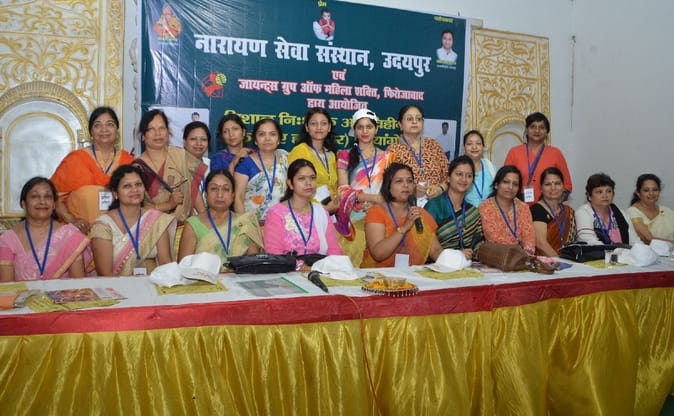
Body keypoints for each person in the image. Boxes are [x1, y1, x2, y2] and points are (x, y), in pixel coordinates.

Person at [51, 106, 134, 234]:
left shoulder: (128, 161)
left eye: (110, 124)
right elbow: (53, 197)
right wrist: (72, 220)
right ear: (90, 132)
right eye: (97, 125)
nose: (104, 129)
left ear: (117, 130)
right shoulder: (75, 160)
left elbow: (137, 199)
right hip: (80, 233)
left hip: (120, 233)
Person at [90, 165, 176, 276]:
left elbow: (165, 263)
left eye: (138, 184)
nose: (135, 190)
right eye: (127, 186)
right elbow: (105, 274)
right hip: (116, 285)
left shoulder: (156, 220)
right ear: (115, 193)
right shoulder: (104, 225)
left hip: (153, 283)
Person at [0, 177, 91, 281]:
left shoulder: (69, 236)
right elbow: (7, 286)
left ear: (54, 205)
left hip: (64, 292)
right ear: (23, 204)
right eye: (35, 196)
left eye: (47, 197)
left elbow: (78, 285)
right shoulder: (7, 240)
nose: (42, 201)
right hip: (22, 292)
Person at [336, 108, 395, 264]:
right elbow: (343, 191)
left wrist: (378, 203)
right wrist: (374, 198)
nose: (364, 131)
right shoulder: (344, 155)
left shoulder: (388, 157)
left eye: (369, 127)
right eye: (360, 127)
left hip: (381, 215)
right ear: (354, 130)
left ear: (376, 129)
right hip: (353, 217)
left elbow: (392, 189)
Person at [361, 163, 442, 268]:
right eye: (399, 181)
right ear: (388, 186)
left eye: (409, 181)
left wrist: (455, 260)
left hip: (412, 274)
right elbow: (378, 254)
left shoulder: (420, 214)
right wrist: (404, 227)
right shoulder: (377, 212)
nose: (406, 185)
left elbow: (435, 250)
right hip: (378, 275)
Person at [178, 170, 264, 270]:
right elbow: (183, 268)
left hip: (239, 278)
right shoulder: (193, 225)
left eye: (226, 189)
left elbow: (254, 267)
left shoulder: (245, 223)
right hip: (202, 279)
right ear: (206, 195)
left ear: (233, 195)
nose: (219, 194)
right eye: (214, 189)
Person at [133, 109, 207, 223]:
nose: (157, 133)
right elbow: (135, 209)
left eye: (162, 128)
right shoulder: (137, 168)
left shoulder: (180, 155)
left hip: (185, 227)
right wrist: (168, 204)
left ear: (168, 132)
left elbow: (194, 191)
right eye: (151, 129)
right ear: (143, 135)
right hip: (154, 229)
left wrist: (206, 221)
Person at [263, 159, 342, 256]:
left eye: (312, 178)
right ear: (290, 183)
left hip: (319, 265)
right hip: (286, 265)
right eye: (301, 178)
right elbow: (274, 253)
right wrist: (301, 265)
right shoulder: (276, 214)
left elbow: (334, 250)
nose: (308, 182)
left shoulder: (321, 212)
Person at [504, 112, 572, 204]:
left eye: (541, 127)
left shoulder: (556, 153)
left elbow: (567, 186)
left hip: (548, 208)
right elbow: (505, 182)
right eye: (533, 127)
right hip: (518, 206)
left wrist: (553, 203)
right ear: (526, 130)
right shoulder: (514, 152)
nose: (537, 130)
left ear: (547, 132)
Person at [388, 105, 449, 206]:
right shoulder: (392, 151)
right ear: (400, 125)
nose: (414, 121)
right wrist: (411, 191)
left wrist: (440, 188)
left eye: (418, 119)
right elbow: (388, 186)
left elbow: (450, 176)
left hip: (436, 206)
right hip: (406, 207)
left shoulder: (433, 145)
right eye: (409, 119)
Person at [425, 156, 483, 260]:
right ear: (448, 178)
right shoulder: (433, 207)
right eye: (459, 174)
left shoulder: (473, 212)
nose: (464, 179)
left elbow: (478, 244)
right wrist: (457, 255)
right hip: (437, 265)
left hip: (467, 265)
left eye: (469, 176)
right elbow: (428, 247)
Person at [233, 118, 288, 225]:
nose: (267, 138)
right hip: (253, 224)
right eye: (262, 134)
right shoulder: (245, 165)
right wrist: (247, 227)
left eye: (272, 134)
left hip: (282, 224)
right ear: (255, 140)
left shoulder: (286, 160)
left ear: (279, 139)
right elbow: (238, 198)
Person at [288, 107, 340, 213]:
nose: (319, 127)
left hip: (330, 213)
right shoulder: (301, 151)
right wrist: (322, 209)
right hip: (307, 211)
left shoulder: (331, 154)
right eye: (313, 123)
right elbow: (297, 186)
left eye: (323, 123)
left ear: (329, 127)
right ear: (307, 127)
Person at [478, 165, 536, 255]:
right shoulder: (485, 207)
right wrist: (516, 253)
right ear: (496, 185)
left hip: (523, 258)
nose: (510, 187)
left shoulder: (523, 207)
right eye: (506, 182)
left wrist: (527, 253)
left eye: (515, 184)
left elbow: (529, 237)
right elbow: (493, 239)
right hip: (497, 257)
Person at [575, 173, 640, 245]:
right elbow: (589, 241)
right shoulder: (583, 212)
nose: (605, 195)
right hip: (597, 252)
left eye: (609, 191)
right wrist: (616, 250)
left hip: (623, 251)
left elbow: (634, 241)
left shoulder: (620, 213)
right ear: (589, 196)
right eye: (599, 192)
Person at [530, 168, 576, 256]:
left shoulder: (568, 211)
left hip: (567, 259)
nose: (553, 187)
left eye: (557, 183)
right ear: (541, 188)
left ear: (563, 187)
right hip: (544, 261)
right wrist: (559, 261)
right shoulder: (536, 210)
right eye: (548, 184)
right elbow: (541, 244)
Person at [627, 174, 674, 244]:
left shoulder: (667, 212)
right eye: (646, 190)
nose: (651, 193)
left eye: (655, 190)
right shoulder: (632, 212)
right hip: (645, 251)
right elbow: (648, 239)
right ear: (638, 193)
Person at [462, 130, 495, 207]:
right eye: (469, 144)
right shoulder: (459, 168)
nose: (474, 147)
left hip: (489, 210)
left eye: (478, 143)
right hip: (466, 212)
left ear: (483, 147)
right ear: (464, 148)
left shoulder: (490, 166)